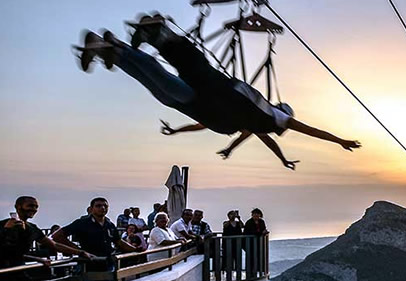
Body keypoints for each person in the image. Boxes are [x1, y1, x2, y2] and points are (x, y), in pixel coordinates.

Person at [75, 17, 361, 170]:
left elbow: (260, 140)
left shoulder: (256, 121)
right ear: (284, 113)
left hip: (194, 103)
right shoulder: (274, 117)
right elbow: (311, 131)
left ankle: (111, 48)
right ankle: (117, 46)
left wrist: (279, 158)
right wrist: (339, 141)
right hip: (196, 99)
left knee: (158, 75)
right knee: (157, 76)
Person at [50, 197, 141, 281]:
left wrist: (135, 250)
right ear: (91, 208)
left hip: (106, 264)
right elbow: (57, 236)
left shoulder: (109, 224)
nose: (102, 208)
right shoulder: (82, 223)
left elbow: (118, 242)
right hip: (88, 265)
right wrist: (78, 251)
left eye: (105, 206)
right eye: (98, 206)